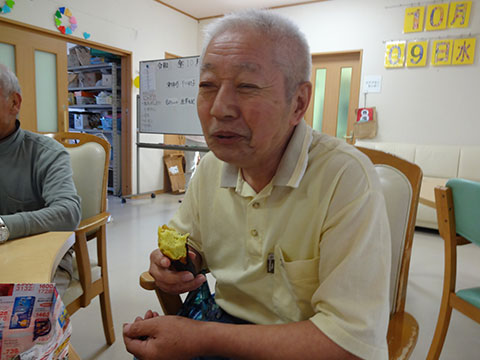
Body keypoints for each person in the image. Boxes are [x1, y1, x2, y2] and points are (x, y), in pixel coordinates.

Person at [123, 9, 391, 360]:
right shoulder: (211, 168)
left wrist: (201, 337)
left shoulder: (345, 178)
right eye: (207, 86)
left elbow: (349, 345)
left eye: (247, 87)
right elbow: (191, 245)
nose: (220, 109)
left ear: (298, 103)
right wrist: (173, 265)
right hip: (222, 320)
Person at [0, 64, 81, 295]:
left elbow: (68, 212)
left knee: (21, 319)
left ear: (15, 103)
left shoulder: (47, 153)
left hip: (43, 258)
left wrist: (4, 227)